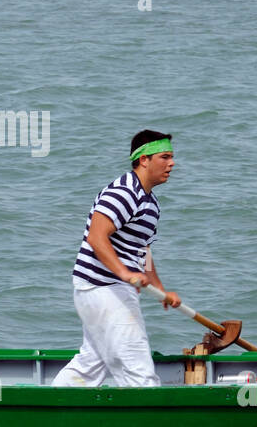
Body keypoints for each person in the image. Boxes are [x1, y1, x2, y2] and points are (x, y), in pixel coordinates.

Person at [53, 130, 181, 388]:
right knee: (138, 369)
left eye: (172, 157)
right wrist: (124, 273)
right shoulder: (123, 192)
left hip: (113, 289)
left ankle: (48, 410)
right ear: (144, 160)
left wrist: (160, 289)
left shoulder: (151, 203)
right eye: (164, 157)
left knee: (91, 363)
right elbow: (96, 237)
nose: (172, 163)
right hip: (101, 288)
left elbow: (142, 252)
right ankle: (150, 422)